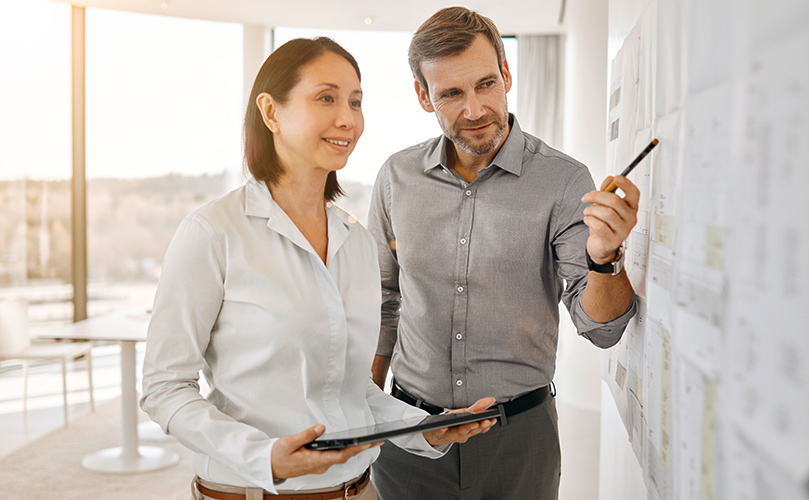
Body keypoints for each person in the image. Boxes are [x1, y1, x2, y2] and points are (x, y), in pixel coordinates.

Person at [140, 36, 495, 500]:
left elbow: (351, 392)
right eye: (325, 98)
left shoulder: (357, 243)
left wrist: (424, 430)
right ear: (271, 112)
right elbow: (163, 388)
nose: (346, 119)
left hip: (360, 491)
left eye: (355, 101)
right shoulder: (213, 232)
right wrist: (262, 455)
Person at [368, 7, 640, 500]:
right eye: (451, 93)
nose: (474, 110)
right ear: (423, 96)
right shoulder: (395, 177)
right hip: (408, 436)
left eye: (486, 84)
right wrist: (363, 411)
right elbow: (383, 304)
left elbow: (602, 327)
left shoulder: (562, 181)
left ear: (507, 74)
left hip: (519, 440)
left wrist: (604, 258)